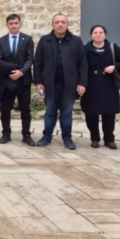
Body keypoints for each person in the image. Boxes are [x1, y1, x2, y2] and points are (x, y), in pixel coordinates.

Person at [34, 13, 87, 150]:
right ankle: (46, 137)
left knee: (67, 113)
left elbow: (82, 64)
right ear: (53, 25)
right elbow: (38, 63)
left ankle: (67, 138)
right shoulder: (45, 40)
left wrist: (82, 83)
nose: (60, 24)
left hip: (69, 85)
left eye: (63, 22)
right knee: (50, 112)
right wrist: (38, 82)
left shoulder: (76, 41)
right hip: (50, 85)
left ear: (67, 24)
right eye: (57, 22)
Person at [82, 25, 120, 150]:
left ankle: (109, 139)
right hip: (91, 86)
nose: (98, 34)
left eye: (100, 32)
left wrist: (115, 67)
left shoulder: (113, 48)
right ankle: (95, 138)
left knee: (109, 114)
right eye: (95, 32)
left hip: (109, 86)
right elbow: (80, 66)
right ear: (91, 35)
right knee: (91, 113)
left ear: (105, 35)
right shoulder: (85, 49)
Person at [0, 14, 35, 146]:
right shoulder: (1, 40)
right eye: (11, 23)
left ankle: (26, 134)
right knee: (5, 108)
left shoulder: (27, 39)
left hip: (23, 80)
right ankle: (6, 133)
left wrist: (21, 71)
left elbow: (30, 58)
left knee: (25, 109)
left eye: (16, 23)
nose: (14, 25)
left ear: (20, 24)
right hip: (6, 79)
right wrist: (13, 69)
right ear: (7, 25)